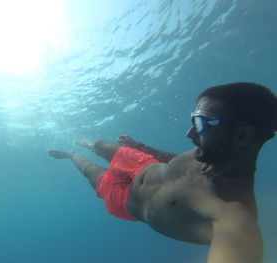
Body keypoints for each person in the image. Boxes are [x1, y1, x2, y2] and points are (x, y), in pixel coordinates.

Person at [49, 82, 277, 263]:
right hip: (142, 162)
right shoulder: (211, 151)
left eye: (200, 123)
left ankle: (71, 154)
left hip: (124, 198)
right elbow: (177, 162)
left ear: (242, 136)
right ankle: (82, 141)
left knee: (89, 169)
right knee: (100, 145)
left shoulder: (235, 221)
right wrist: (142, 147)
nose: (189, 133)